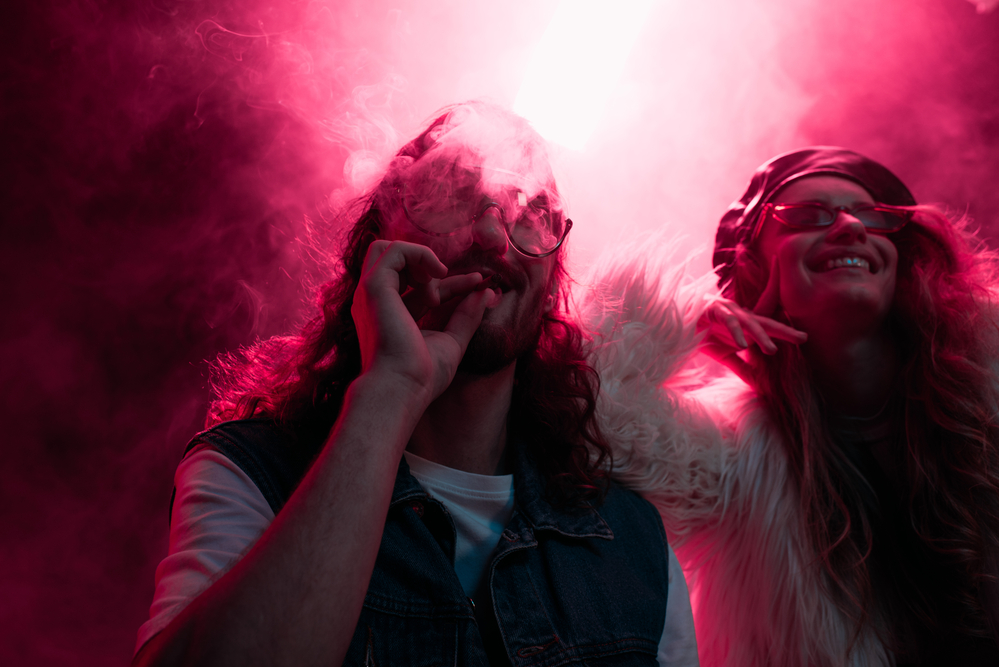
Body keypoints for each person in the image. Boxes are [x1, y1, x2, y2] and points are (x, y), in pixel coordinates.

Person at [132, 101, 699, 666]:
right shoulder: (251, 476)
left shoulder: (633, 542)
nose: (492, 236)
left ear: (552, 283)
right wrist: (391, 390)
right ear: (380, 247)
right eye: (454, 194)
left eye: (530, 209)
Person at [587, 147, 999, 666]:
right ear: (754, 270)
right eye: (807, 216)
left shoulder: (990, 386)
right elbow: (582, 418)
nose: (850, 226)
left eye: (869, 215)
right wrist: (672, 322)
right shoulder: (735, 460)